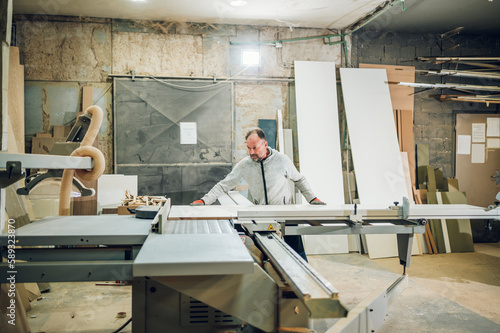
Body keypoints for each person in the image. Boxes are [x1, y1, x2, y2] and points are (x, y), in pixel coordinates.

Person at [191, 128, 325, 260]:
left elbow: (299, 179)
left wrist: (312, 198)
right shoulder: (245, 165)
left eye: (255, 148)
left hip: (286, 214)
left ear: (265, 144)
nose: (251, 152)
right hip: (262, 216)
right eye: (248, 148)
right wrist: (204, 201)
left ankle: (305, 277)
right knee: (267, 253)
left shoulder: (282, 160)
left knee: (297, 253)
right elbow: (224, 185)